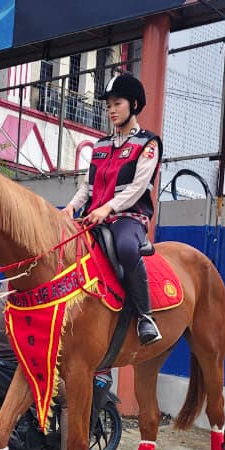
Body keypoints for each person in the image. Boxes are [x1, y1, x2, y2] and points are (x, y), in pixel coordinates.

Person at [65, 72, 163, 345]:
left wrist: (107, 209)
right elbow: (88, 185)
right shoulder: (101, 145)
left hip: (128, 217)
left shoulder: (148, 143)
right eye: (108, 105)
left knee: (127, 248)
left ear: (133, 104)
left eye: (117, 103)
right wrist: (71, 208)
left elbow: (137, 188)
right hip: (94, 216)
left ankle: (145, 317)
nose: (111, 110)